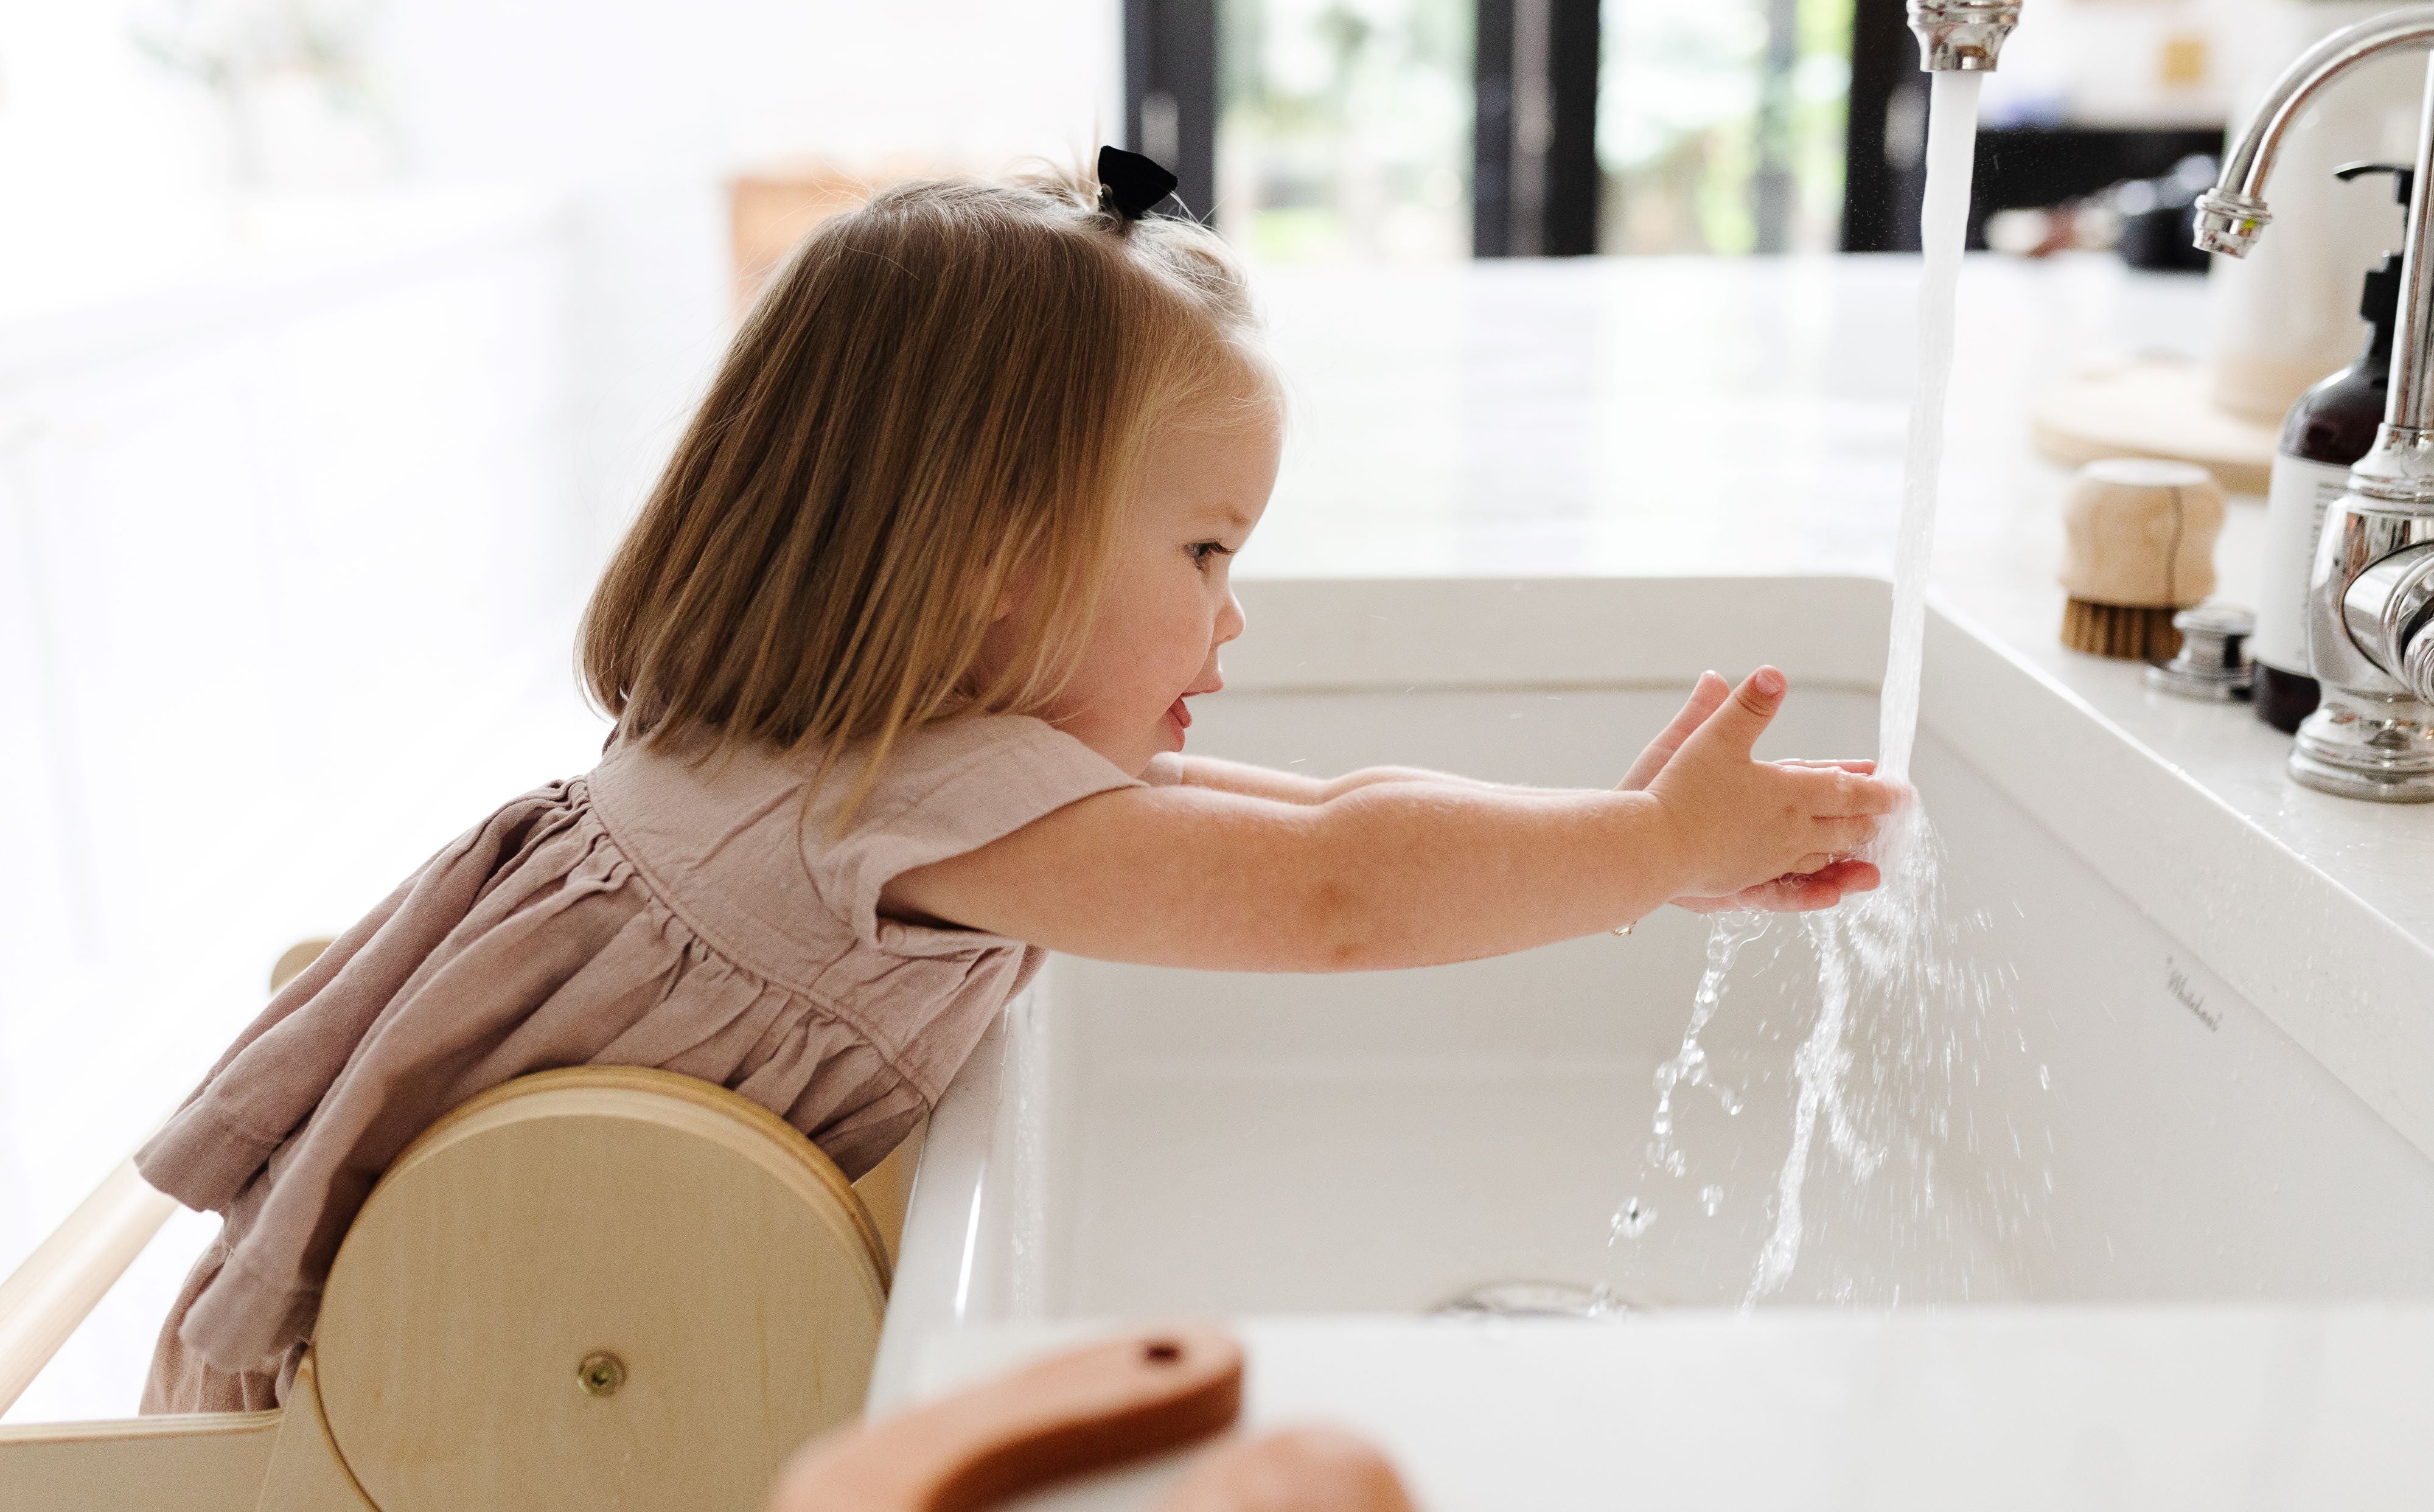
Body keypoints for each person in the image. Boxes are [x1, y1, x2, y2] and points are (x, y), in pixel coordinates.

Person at [136, 150, 1894, 1413]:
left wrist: (1633, 852)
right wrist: (1640, 845)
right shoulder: (900, 811)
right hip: (422, 1384)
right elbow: (1335, 893)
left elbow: (1310, 816)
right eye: (1204, 550)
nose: (1232, 613)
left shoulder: (836, 747)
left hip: (436, 1328)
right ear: (999, 555)